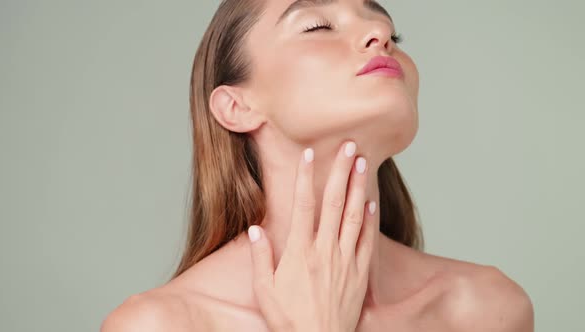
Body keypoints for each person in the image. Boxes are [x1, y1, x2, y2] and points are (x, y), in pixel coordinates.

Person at [101, 0, 534, 331]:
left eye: (392, 31)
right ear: (236, 106)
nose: (380, 30)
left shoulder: (487, 310)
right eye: (317, 25)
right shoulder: (161, 325)